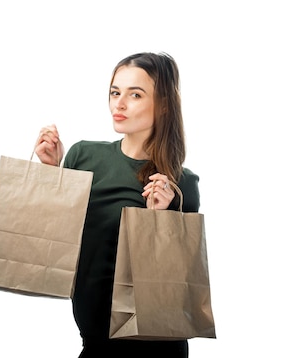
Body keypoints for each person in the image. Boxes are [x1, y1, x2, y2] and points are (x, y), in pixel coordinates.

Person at [34, 52, 200, 357]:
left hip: (157, 349)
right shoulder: (83, 156)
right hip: (94, 343)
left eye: (135, 94)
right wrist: (51, 173)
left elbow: (178, 283)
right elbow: (55, 242)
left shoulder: (179, 183)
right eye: (115, 92)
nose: (119, 104)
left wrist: (162, 219)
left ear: (163, 105)